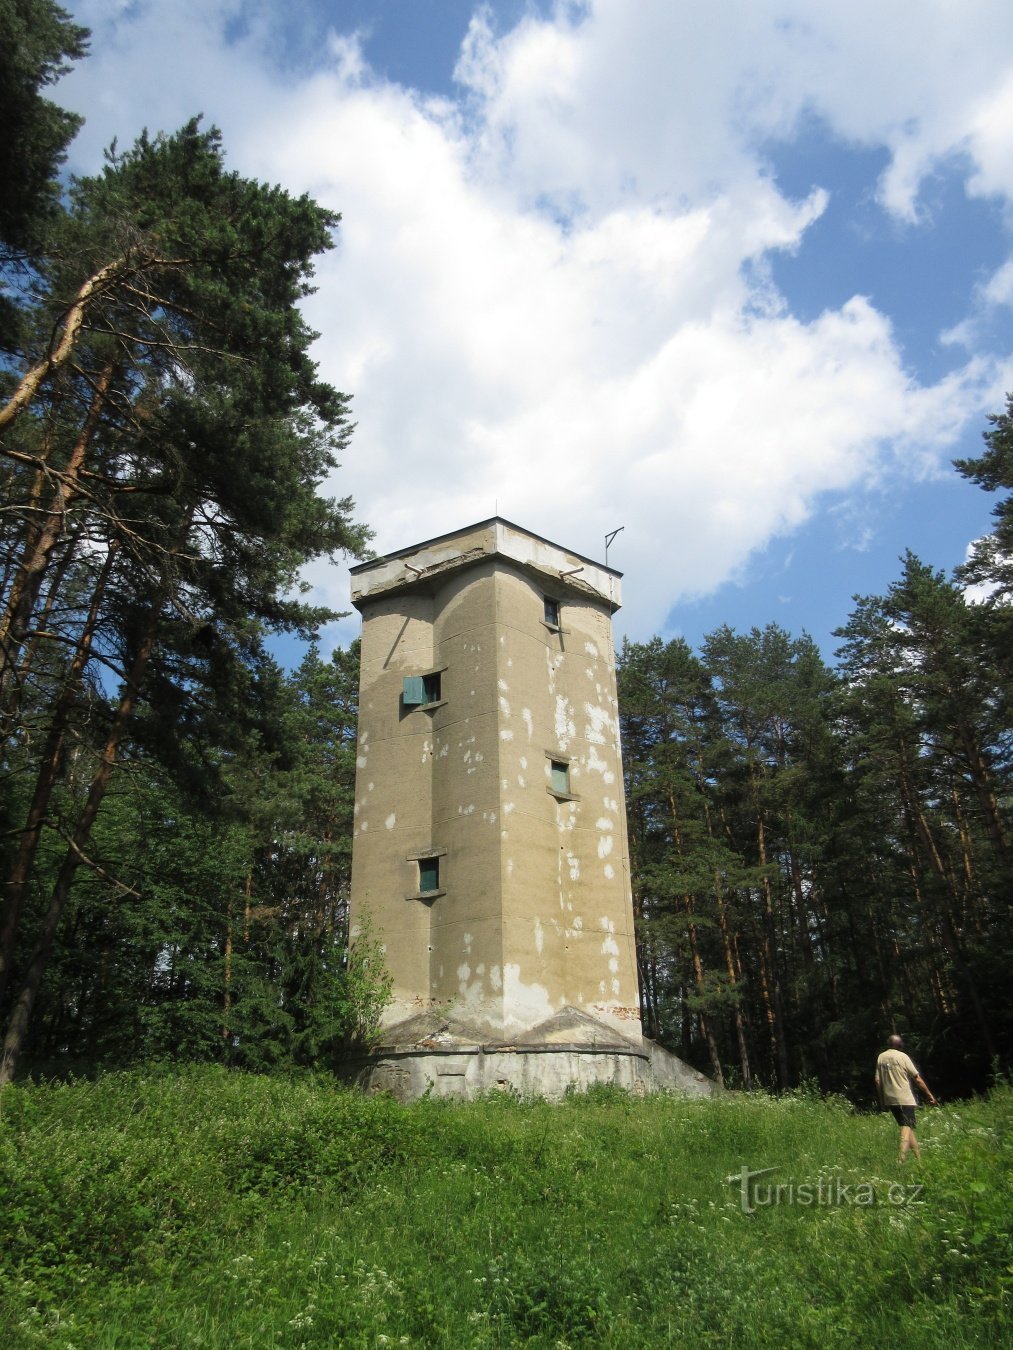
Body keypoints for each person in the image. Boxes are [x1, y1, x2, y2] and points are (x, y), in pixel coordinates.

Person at [874, 1034, 936, 1163]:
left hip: (890, 1098)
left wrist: (882, 1100)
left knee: (906, 1127)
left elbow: (877, 1081)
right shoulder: (903, 1057)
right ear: (900, 1045)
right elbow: (917, 1079)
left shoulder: (881, 1057)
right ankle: (901, 1158)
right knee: (907, 1126)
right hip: (904, 1097)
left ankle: (919, 1160)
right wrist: (929, 1095)